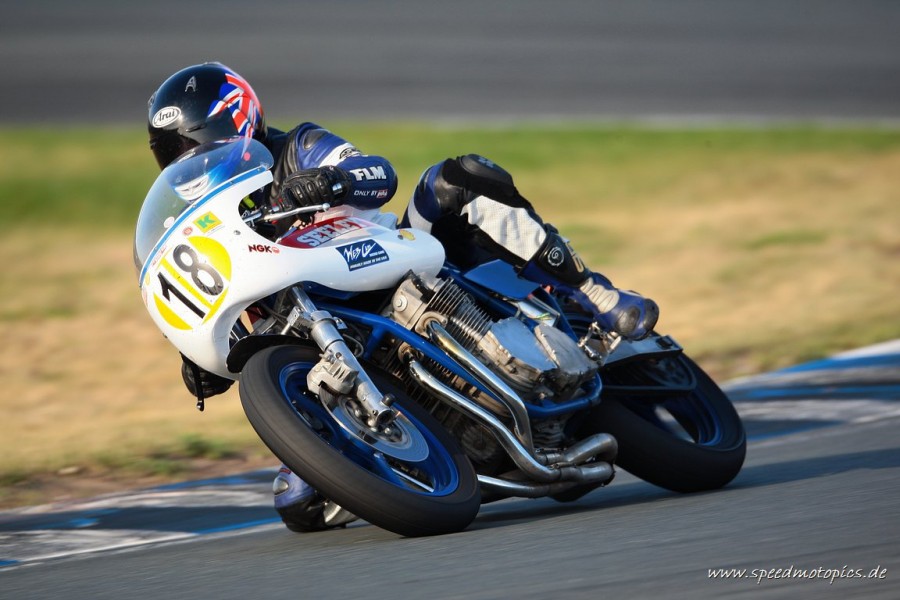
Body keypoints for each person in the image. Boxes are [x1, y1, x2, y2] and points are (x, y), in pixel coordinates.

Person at [146, 62, 659, 533]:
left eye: (200, 141)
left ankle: (593, 293)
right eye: (174, 153)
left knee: (457, 179)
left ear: (238, 119)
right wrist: (198, 358)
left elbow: (379, 175)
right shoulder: (204, 221)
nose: (192, 159)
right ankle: (423, 445)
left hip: (398, 264)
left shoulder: (295, 148)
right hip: (334, 342)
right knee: (299, 504)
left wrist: (330, 180)